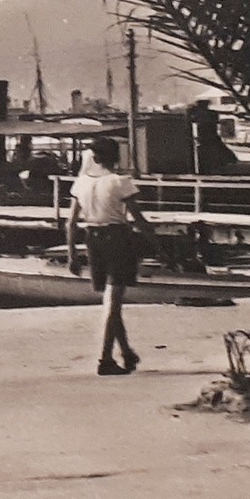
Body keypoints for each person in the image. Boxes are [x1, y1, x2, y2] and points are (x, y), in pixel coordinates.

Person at [66, 137, 154, 376]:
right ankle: (105, 358)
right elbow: (139, 218)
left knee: (110, 299)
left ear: (94, 158)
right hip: (117, 238)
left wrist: (72, 254)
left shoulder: (81, 183)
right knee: (113, 301)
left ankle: (125, 352)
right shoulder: (120, 182)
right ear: (116, 157)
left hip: (92, 239)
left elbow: (71, 223)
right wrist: (156, 243)